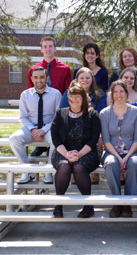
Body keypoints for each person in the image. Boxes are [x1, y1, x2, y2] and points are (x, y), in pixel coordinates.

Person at [51, 84, 101, 218]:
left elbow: (93, 139)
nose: (74, 101)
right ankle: (58, 205)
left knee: (78, 167)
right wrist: (67, 154)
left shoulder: (92, 115)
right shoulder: (60, 114)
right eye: (71, 98)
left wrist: (79, 154)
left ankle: (88, 205)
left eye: (77, 98)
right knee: (64, 166)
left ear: (84, 98)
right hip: (63, 151)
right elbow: (55, 138)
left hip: (87, 152)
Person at [9, 66, 61, 184]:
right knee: (14, 139)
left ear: (47, 78)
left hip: (48, 128)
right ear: (32, 79)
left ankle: (48, 172)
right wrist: (33, 129)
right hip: (31, 128)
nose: (39, 80)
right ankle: (27, 171)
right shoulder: (25, 95)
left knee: (56, 140)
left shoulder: (56, 94)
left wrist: (43, 130)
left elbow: (57, 117)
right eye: (36, 77)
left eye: (42, 77)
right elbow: (23, 117)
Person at [100, 81, 137, 218]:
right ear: (112, 95)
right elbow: (106, 141)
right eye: (115, 92)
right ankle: (117, 201)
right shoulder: (104, 113)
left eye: (121, 91)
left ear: (126, 93)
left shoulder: (136, 112)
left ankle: (128, 203)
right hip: (111, 152)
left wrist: (126, 156)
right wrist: (119, 158)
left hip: (132, 151)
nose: (119, 95)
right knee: (111, 163)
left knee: (134, 163)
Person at [27, 36, 71, 157]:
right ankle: (39, 146)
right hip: (40, 111)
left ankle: (51, 151)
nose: (48, 49)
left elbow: (68, 92)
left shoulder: (65, 69)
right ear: (41, 49)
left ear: (55, 48)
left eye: (50, 46)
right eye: (45, 47)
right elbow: (31, 93)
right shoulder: (33, 70)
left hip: (58, 109)